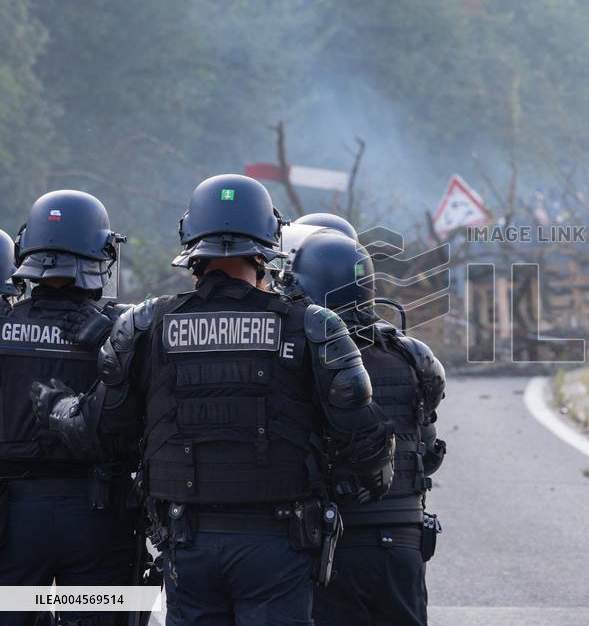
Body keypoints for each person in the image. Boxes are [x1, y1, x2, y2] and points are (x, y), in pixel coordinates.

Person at [32, 175, 395, 626]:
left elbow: (105, 431)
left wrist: (56, 409)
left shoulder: (145, 325)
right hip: (280, 542)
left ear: (191, 244)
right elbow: (367, 442)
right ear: (268, 245)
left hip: (188, 544)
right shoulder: (314, 325)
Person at [286, 230, 446, 626]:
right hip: (404, 544)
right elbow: (426, 456)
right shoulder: (411, 355)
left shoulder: (304, 358)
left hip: (336, 542)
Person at [0, 190, 130, 626]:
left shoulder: (4, 326)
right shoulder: (120, 333)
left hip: (12, 519)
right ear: (102, 253)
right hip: (95, 513)